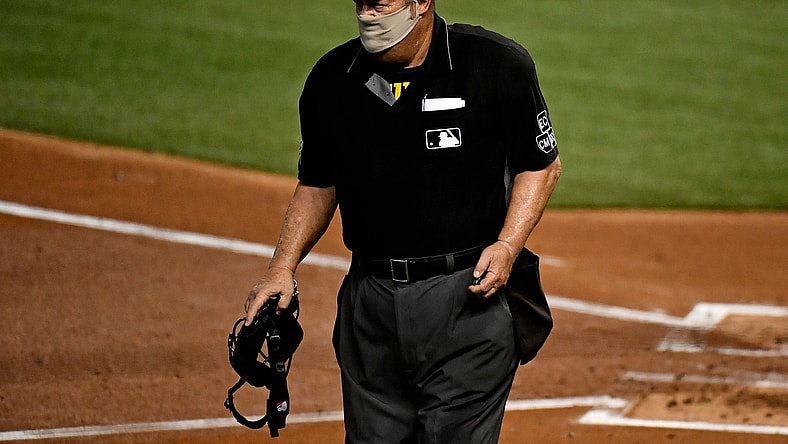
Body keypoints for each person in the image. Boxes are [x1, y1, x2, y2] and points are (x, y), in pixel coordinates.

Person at [244, 0, 561, 442]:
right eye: (360, 3)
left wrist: (508, 244)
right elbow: (317, 184)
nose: (368, 14)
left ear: (421, 3)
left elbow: (541, 164)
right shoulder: (333, 80)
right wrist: (282, 267)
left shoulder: (493, 64)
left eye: (381, 3)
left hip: (466, 299)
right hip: (369, 308)